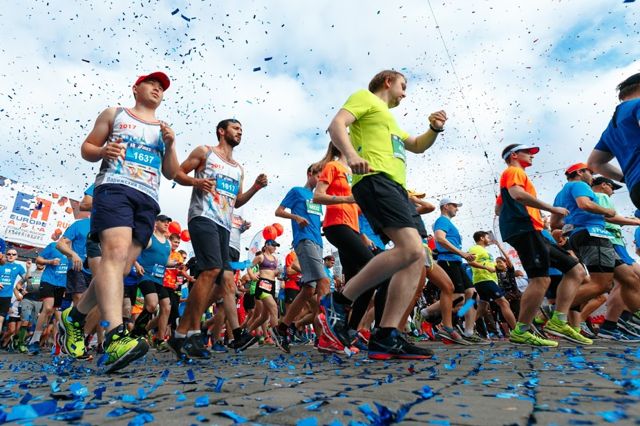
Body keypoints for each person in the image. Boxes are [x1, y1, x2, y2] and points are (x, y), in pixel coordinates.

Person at [58, 71, 180, 373]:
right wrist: (103, 150)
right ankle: (115, 337)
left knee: (121, 269)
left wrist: (172, 144)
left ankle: (74, 317)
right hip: (115, 187)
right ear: (136, 88)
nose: (157, 89)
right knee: (113, 255)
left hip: (148, 198)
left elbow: (171, 172)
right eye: (152, 84)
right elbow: (87, 148)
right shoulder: (115, 114)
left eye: (162, 87)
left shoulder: (163, 129)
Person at [323, 69, 446, 360]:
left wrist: (434, 129)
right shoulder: (365, 98)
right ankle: (338, 301)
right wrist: (352, 155)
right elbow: (336, 125)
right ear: (388, 82)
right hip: (375, 179)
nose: (405, 93)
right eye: (403, 86)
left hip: (397, 188)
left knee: (416, 257)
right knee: (411, 248)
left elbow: (417, 145)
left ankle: (386, 335)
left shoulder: (392, 122)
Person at [170, 118, 267, 358]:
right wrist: (196, 181)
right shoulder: (205, 152)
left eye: (242, 129)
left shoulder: (238, 169)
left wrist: (255, 187)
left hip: (224, 225)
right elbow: (177, 173)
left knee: (226, 280)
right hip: (203, 216)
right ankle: (190, 333)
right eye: (236, 128)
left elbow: (237, 201)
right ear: (222, 131)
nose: (240, 132)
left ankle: (184, 334)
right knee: (212, 270)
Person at [497, 144, 586, 347]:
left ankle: (558, 321)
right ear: (514, 155)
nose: (532, 156)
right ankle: (521, 331)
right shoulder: (514, 171)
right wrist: (551, 208)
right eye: (528, 153)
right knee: (540, 279)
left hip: (532, 230)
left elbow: (498, 207)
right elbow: (517, 194)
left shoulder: (510, 176)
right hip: (525, 228)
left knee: (576, 270)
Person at [552, 164, 640, 341]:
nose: (592, 177)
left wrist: (573, 224)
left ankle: (632, 319)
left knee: (629, 278)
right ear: (579, 172)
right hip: (593, 234)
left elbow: (555, 223)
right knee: (602, 285)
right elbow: (584, 204)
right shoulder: (580, 185)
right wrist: (607, 211)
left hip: (590, 235)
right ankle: (553, 313)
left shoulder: (560, 194)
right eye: (590, 172)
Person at [274, 165, 332, 353]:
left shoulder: (318, 199)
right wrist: (296, 217)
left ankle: (282, 328)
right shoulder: (297, 191)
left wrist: (325, 224)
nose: (322, 180)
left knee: (309, 289)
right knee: (324, 281)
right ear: (310, 174)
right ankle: (327, 336)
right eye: (319, 176)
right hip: (304, 239)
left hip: (318, 242)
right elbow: (278, 211)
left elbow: (315, 220)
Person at [588, 73, 640, 210]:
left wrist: (627, 178)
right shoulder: (638, 104)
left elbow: (594, 163)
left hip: (636, 189)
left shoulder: (610, 129)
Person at [433, 198, 482, 343]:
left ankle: (468, 331)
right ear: (446, 206)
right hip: (447, 260)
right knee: (458, 297)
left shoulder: (449, 223)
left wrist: (463, 255)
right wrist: (462, 253)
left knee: (472, 294)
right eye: (454, 206)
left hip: (457, 261)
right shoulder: (442, 221)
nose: (457, 209)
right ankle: (428, 314)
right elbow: (440, 239)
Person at [130, 215, 173, 347]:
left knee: (166, 307)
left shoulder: (168, 243)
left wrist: (176, 264)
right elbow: (132, 251)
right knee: (152, 305)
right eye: (163, 221)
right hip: (146, 276)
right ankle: (135, 333)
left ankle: (159, 340)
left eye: (168, 222)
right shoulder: (149, 238)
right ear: (156, 223)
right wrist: (136, 265)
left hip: (159, 279)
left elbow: (166, 261)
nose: (166, 224)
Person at [467, 231, 517, 332]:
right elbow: (470, 261)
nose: (489, 239)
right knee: (504, 302)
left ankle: (468, 328)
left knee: (483, 307)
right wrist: (486, 268)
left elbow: (492, 266)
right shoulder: (475, 248)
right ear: (482, 238)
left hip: (487, 280)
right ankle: (518, 331)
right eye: (487, 237)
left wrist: (498, 267)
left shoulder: (485, 251)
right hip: (484, 279)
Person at [28, 242, 70, 354]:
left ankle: (57, 345)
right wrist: (50, 262)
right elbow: (38, 259)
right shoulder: (53, 246)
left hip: (61, 285)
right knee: (47, 308)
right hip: (48, 281)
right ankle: (35, 340)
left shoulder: (75, 250)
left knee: (55, 313)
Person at [56, 217, 92, 305]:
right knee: (80, 299)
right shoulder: (80, 224)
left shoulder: (110, 228)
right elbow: (60, 244)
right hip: (78, 267)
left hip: (98, 270)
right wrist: (73, 254)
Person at [0, 250, 26, 346]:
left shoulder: (18, 267)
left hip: (6, 297)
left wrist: (28, 268)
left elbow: (27, 278)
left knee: (1, 321)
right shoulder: (1, 264)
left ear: (16, 256)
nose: (11, 256)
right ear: (5, 255)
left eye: (13, 254)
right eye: (9, 254)